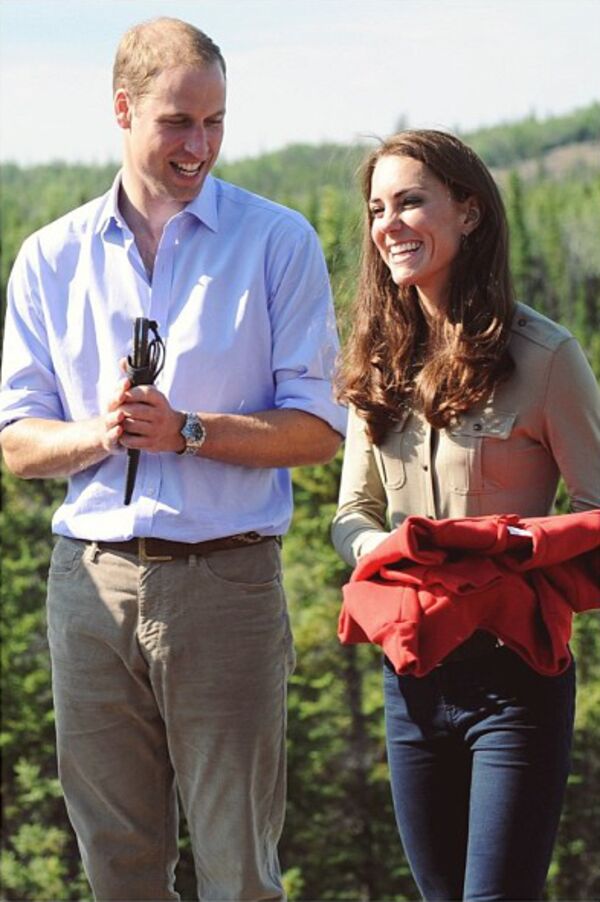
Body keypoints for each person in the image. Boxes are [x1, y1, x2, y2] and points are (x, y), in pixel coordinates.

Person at [0, 17, 346, 902]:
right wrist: (102, 434)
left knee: (238, 870)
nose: (200, 145)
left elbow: (320, 430)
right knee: (117, 870)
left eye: (215, 121)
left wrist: (189, 432)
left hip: (226, 585)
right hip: (88, 586)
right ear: (122, 110)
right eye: (178, 122)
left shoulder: (277, 241)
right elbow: (17, 444)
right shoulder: (49, 258)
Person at [331, 129, 600, 900]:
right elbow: (352, 513)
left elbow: (595, 513)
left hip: (516, 681)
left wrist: (496, 551)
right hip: (410, 678)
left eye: (411, 201)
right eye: (378, 209)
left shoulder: (546, 357)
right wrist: (390, 553)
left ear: (470, 212)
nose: (389, 224)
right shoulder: (377, 359)